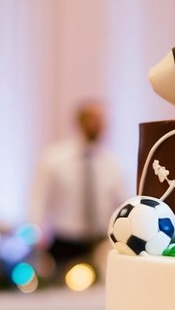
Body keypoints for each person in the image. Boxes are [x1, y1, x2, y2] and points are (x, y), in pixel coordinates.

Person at [28, 100, 126, 273]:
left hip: (99, 241)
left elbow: (122, 201)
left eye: (102, 120)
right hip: (65, 242)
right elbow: (39, 199)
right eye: (94, 119)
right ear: (80, 121)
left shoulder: (111, 162)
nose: (99, 124)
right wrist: (36, 235)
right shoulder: (54, 158)